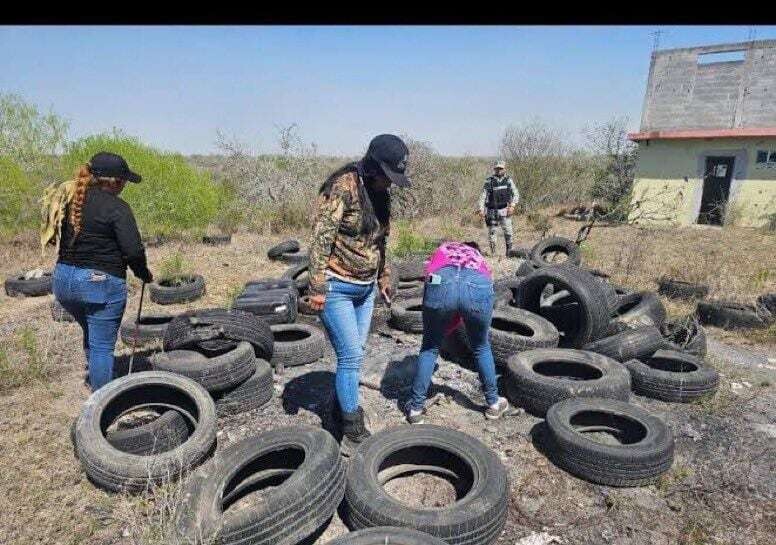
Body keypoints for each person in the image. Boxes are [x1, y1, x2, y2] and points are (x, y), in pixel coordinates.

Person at [306, 134, 412, 454]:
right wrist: (317, 286)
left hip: (365, 290)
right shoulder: (343, 187)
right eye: (386, 176)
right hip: (337, 286)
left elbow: (381, 242)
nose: (389, 184)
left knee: (356, 353)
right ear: (371, 166)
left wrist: (384, 276)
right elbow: (321, 238)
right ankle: (352, 429)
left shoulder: (382, 195)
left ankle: (337, 410)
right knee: (350, 357)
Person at [42, 152, 153, 391]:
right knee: (102, 346)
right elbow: (133, 251)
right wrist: (143, 273)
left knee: (93, 333)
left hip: (63, 281)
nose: (124, 186)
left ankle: (97, 377)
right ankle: (101, 406)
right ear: (112, 181)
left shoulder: (71, 200)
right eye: (123, 181)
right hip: (97, 283)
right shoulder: (118, 208)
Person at [406, 240, 509, 424]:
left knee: (430, 347)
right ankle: (493, 403)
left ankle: (415, 409)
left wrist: (441, 327)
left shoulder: (443, 249)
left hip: (440, 281)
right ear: (474, 248)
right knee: (481, 347)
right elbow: (474, 292)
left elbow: (429, 278)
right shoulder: (478, 258)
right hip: (478, 283)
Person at [478, 160, 519, 256]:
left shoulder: (508, 180)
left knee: (509, 232)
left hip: (505, 209)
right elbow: (483, 196)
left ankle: (509, 253)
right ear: (494, 169)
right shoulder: (489, 181)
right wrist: (481, 209)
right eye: (497, 168)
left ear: (504, 169)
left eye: (501, 168)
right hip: (492, 210)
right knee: (492, 233)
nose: (499, 170)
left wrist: (513, 206)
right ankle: (493, 254)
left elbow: (516, 194)